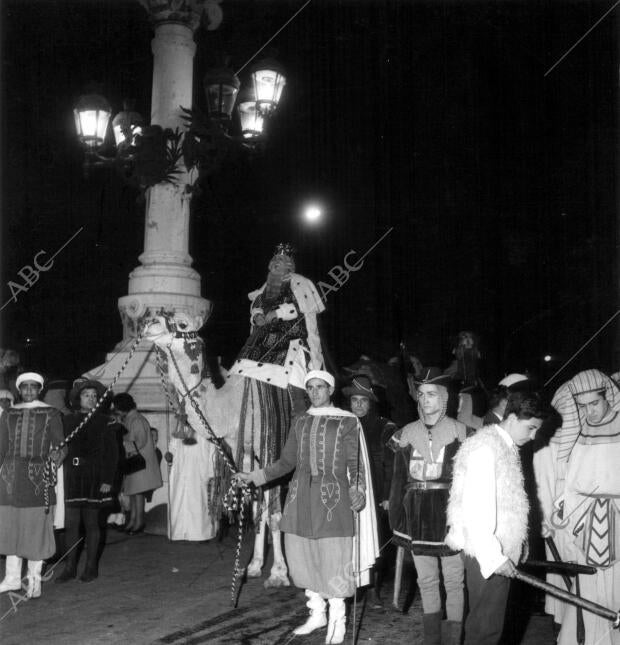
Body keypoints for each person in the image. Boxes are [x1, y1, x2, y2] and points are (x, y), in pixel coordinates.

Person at [235, 370, 379, 645]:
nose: (314, 392)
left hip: (333, 499)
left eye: (320, 387)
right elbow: (286, 462)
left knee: (334, 559)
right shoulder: (300, 421)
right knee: (302, 556)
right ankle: (317, 613)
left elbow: (355, 463)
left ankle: (338, 618)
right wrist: (254, 477)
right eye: (310, 388)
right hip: (300, 499)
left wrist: (357, 489)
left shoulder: (347, 421)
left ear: (330, 389)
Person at [445, 390, 546, 645]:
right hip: (487, 554)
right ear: (512, 417)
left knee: (488, 627)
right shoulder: (486, 448)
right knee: (485, 631)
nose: (533, 436)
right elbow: (476, 510)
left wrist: (515, 545)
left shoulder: (502, 445)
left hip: (497, 551)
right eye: (531, 428)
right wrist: (494, 557)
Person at [535, 369, 620, 645]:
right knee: (588, 588)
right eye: (582, 406)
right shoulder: (579, 431)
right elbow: (572, 481)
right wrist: (563, 506)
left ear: (609, 396)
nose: (589, 411)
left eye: (594, 403)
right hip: (587, 525)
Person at [389, 367, 467, 645]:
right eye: (421, 394)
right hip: (417, 515)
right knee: (427, 582)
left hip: (450, 515)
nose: (425, 400)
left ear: (445, 397)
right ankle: (432, 640)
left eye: (432, 394)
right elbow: (398, 479)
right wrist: (398, 519)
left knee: (454, 582)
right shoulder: (406, 434)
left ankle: (453, 641)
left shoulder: (463, 434)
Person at [0, 372, 64, 598]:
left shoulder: (51, 413)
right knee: (11, 527)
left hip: (37, 478)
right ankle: (12, 578)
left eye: (33, 387)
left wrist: (58, 456)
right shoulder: (9, 413)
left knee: (35, 529)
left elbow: (61, 444)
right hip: (9, 479)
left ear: (40, 389)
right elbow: (1, 445)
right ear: (19, 389)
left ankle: (34, 580)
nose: (28, 391)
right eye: (24, 387)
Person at [56, 380, 120, 583]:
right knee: (71, 524)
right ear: (78, 398)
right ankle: (70, 567)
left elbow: (113, 453)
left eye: (94, 396)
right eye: (86, 395)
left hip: (95, 476)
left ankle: (91, 566)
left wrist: (108, 480)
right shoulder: (67, 421)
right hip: (72, 476)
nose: (91, 398)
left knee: (92, 523)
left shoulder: (106, 421)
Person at [344, 374, 396, 608]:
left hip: (377, 493)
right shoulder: (344, 424)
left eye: (363, 401)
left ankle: (374, 587)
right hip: (353, 491)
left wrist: (387, 496)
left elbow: (391, 464)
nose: (358, 405)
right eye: (354, 400)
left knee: (378, 539)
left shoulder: (386, 427)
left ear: (371, 402)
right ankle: (355, 586)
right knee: (352, 538)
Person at [112, 393, 162, 534]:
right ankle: (133, 522)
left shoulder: (136, 420)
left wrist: (123, 442)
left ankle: (138, 523)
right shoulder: (132, 418)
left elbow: (140, 441)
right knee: (134, 494)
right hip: (135, 464)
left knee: (138, 495)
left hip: (140, 464)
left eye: (117, 408)